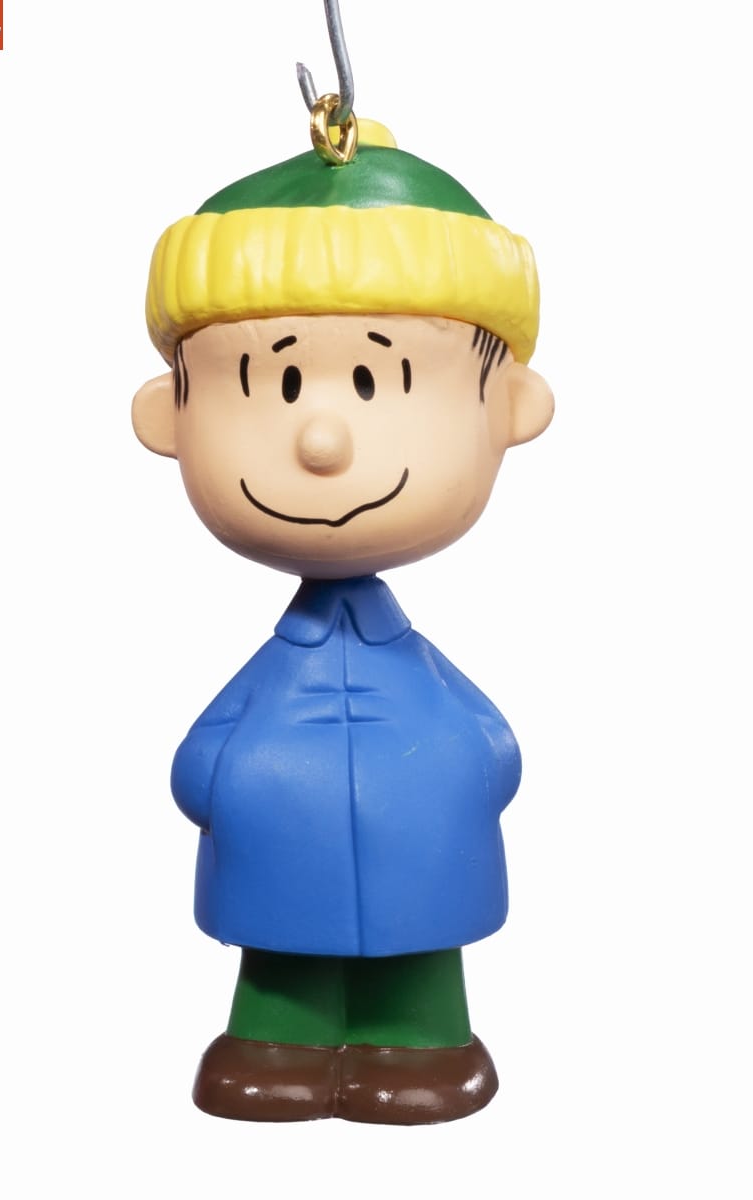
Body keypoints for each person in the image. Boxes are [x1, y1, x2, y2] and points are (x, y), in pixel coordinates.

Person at [132, 118, 553, 1124]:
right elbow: (198, 761)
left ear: (512, 408)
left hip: (421, 860)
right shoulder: (286, 665)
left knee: (420, 947)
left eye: (376, 381)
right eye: (271, 385)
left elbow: (496, 746)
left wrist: (475, 774)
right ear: (167, 416)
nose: (320, 439)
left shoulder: (415, 668)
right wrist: (215, 781)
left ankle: (423, 1043)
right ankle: (276, 1038)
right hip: (283, 861)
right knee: (281, 951)